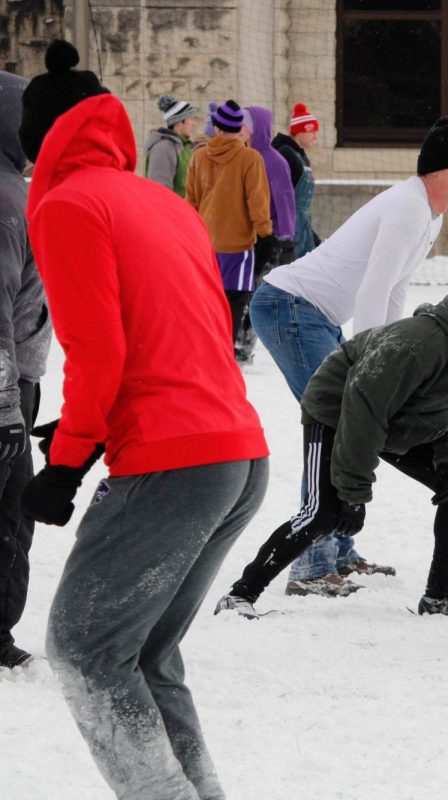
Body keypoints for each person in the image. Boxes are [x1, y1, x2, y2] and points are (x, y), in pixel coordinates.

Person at [17, 39, 268, 797]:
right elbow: (176, 335)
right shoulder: (161, 200)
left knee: (86, 648)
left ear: (42, 136)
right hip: (238, 454)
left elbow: (99, 350)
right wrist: (81, 431)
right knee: (144, 655)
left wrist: (65, 464)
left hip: (175, 463)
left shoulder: (67, 206)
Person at [249, 115, 448, 597]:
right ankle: (312, 566)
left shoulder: (428, 214)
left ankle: (337, 550)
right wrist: (373, 368)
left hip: (318, 315)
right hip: (290, 307)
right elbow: (374, 288)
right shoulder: (407, 207)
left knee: (350, 422)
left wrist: (390, 354)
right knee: (335, 421)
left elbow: (395, 288)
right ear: (438, 169)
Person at [215, 255, 448, 619]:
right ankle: (240, 594)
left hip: (398, 420)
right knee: (323, 513)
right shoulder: (416, 344)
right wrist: (353, 494)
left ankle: (437, 598)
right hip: (337, 410)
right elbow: (362, 411)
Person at [0, 70, 51, 672]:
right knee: (10, 515)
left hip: (12, 379)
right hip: (7, 386)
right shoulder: (9, 198)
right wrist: (8, 407)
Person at [185, 99, 273, 360]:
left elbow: (190, 201)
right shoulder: (249, 158)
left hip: (205, 246)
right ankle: (224, 357)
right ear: (239, 128)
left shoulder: (199, 157)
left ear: (217, 128)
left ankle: (203, 354)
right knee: (234, 305)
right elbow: (257, 202)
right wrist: (265, 234)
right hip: (238, 248)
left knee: (207, 304)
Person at [236, 105, 298, 363]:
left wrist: (284, 235)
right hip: (245, 235)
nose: (240, 130)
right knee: (243, 290)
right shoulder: (244, 156)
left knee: (258, 294)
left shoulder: (273, 161)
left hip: (269, 237)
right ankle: (238, 339)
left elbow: (285, 201)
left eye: (244, 124)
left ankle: (245, 344)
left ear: (256, 127)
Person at [273, 102, 321, 258]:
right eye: (312, 131)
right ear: (300, 131)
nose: (315, 137)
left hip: (303, 225)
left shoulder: (301, 156)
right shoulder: (286, 153)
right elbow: (281, 195)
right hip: (290, 226)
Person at [143, 93, 198, 197]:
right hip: (171, 211)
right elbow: (159, 192)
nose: (193, 124)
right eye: (190, 119)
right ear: (178, 122)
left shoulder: (184, 146)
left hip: (185, 211)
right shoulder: (163, 149)